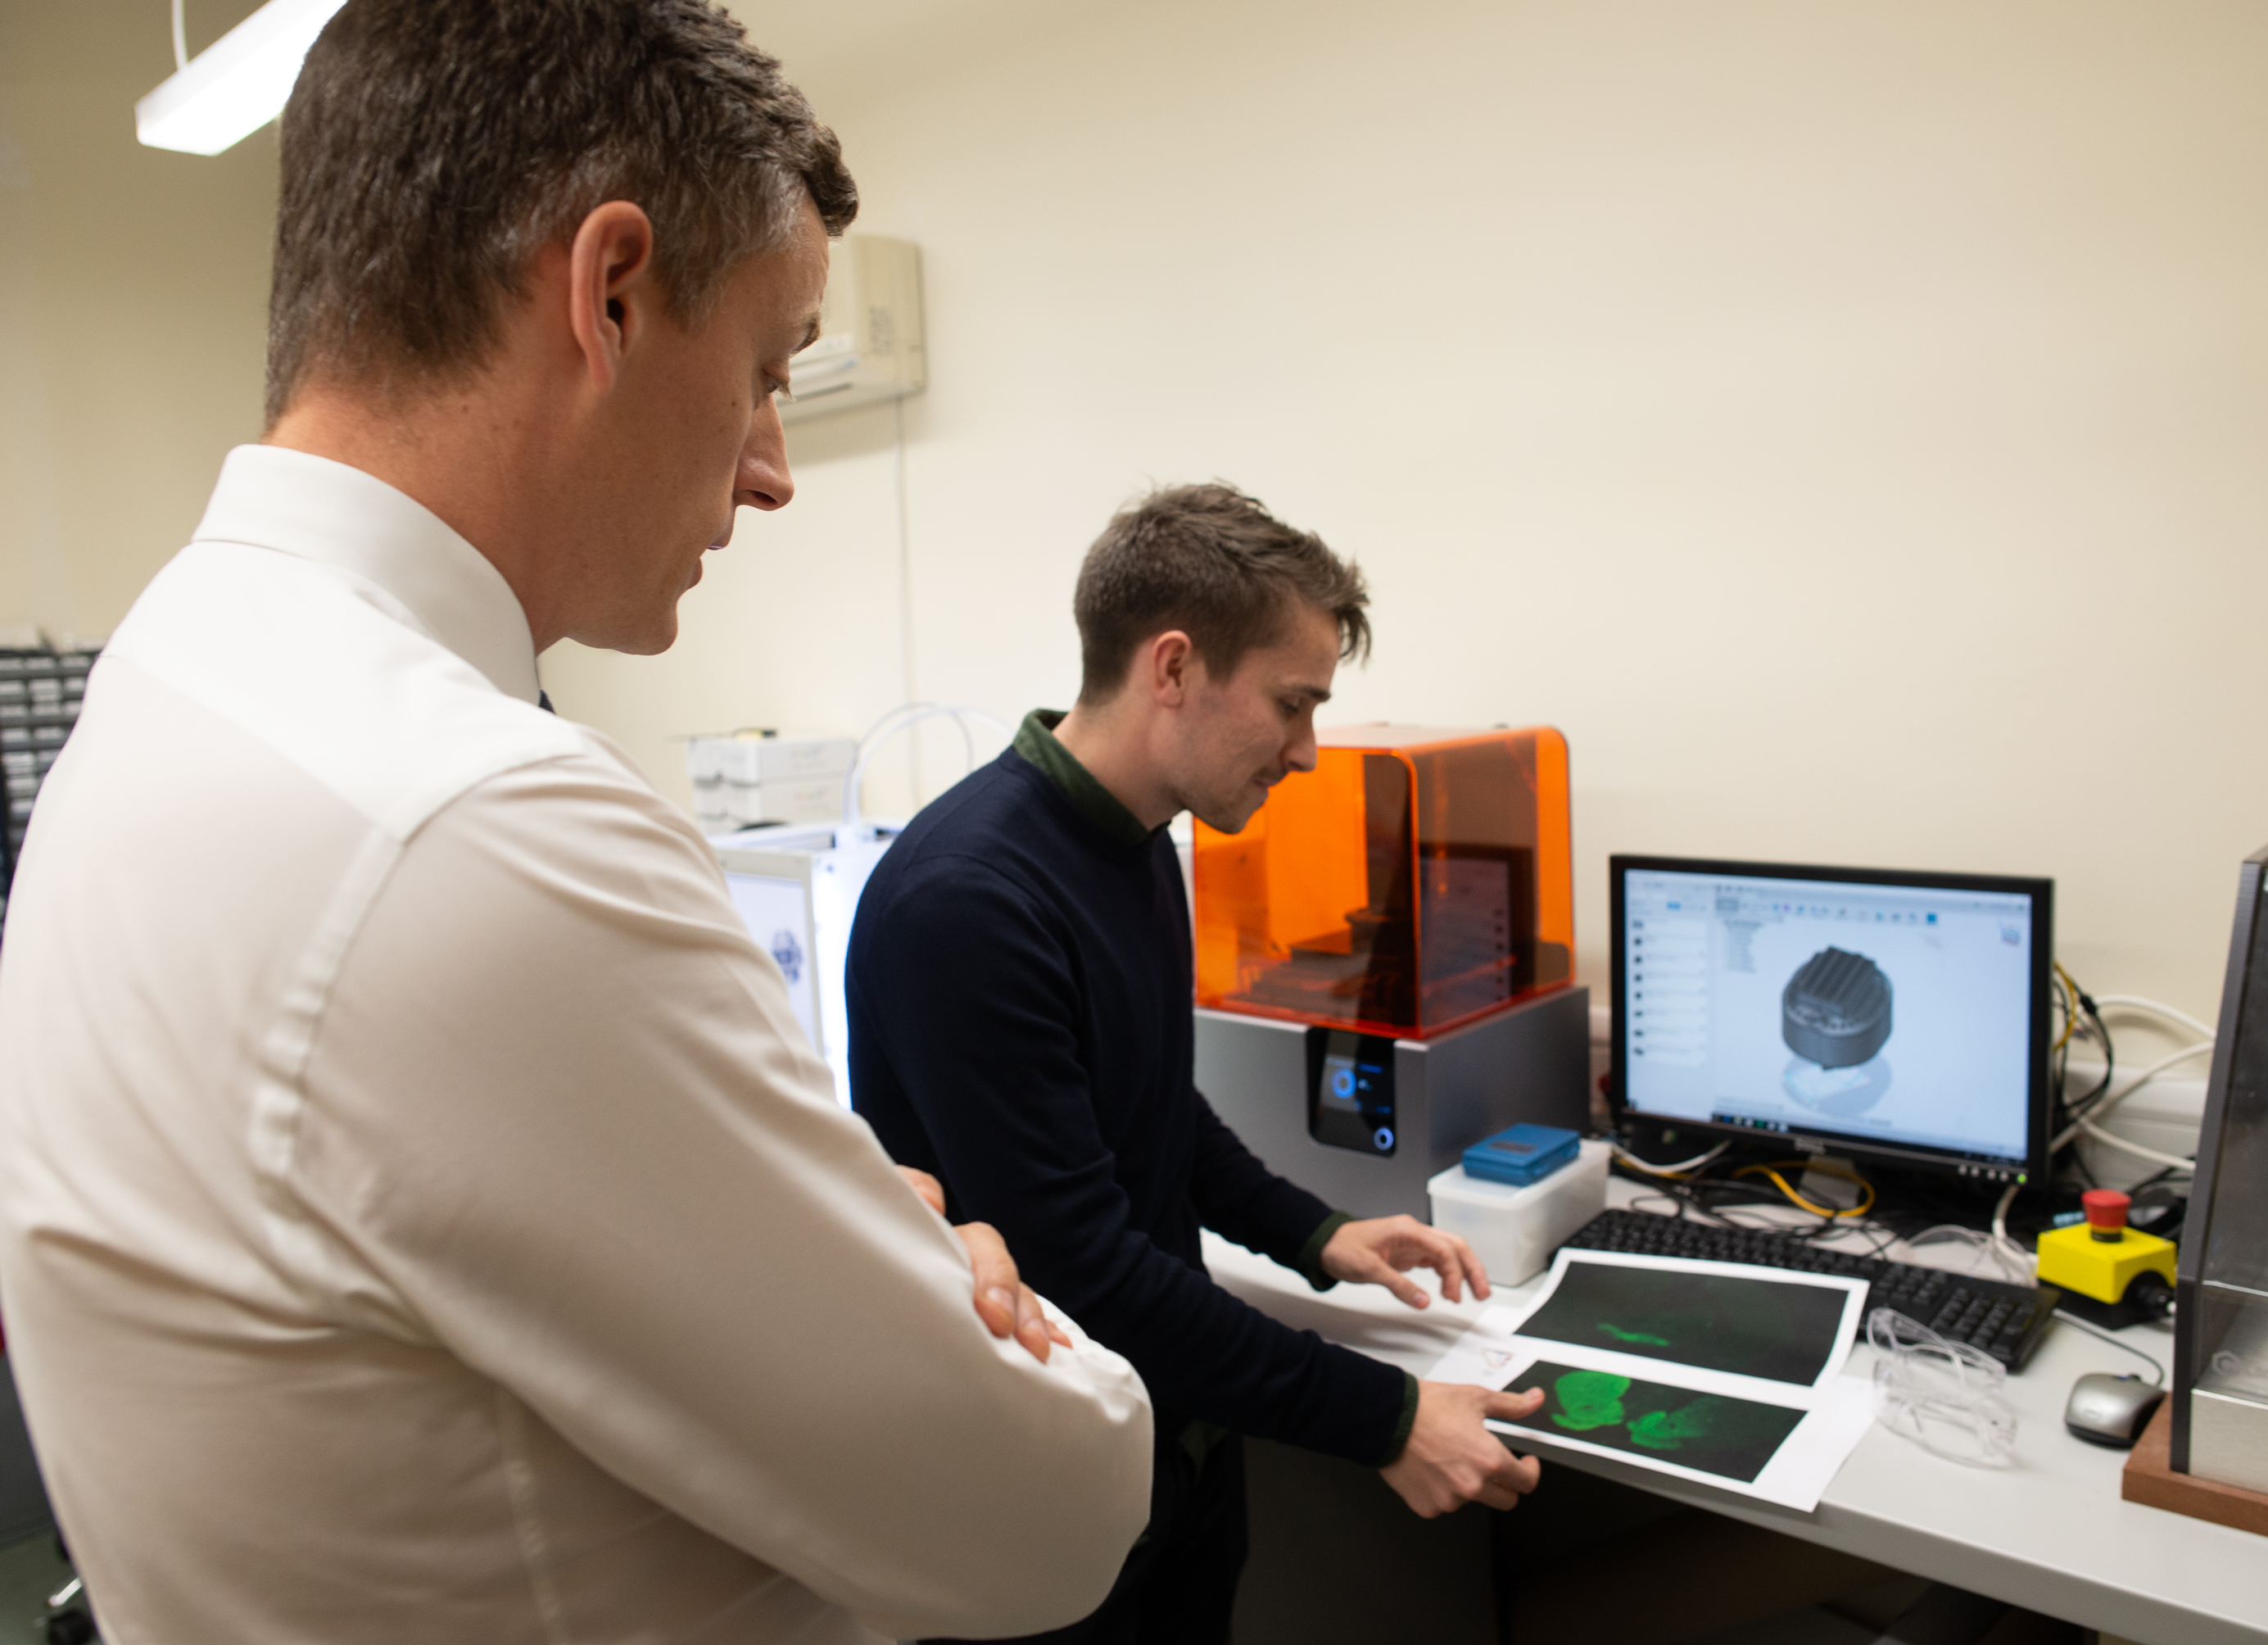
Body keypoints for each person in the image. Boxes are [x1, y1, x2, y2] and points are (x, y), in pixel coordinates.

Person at [0, 3, 1152, 1641]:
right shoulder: (474, 827)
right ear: (608, 292)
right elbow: (1055, 1508)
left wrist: (802, 1233)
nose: (772, 470)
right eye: (762, 369)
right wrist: (938, 1277)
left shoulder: (172, 671)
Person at [849, 483, 1547, 1643]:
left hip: (1177, 1457)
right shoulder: (969, 902)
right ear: (1172, 668)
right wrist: (1383, 1419)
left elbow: (1151, 1103)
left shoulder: (1137, 842)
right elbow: (1087, 1269)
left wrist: (1316, 1232)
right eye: (1292, 704)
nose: (1310, 752)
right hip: (1044, 1503)